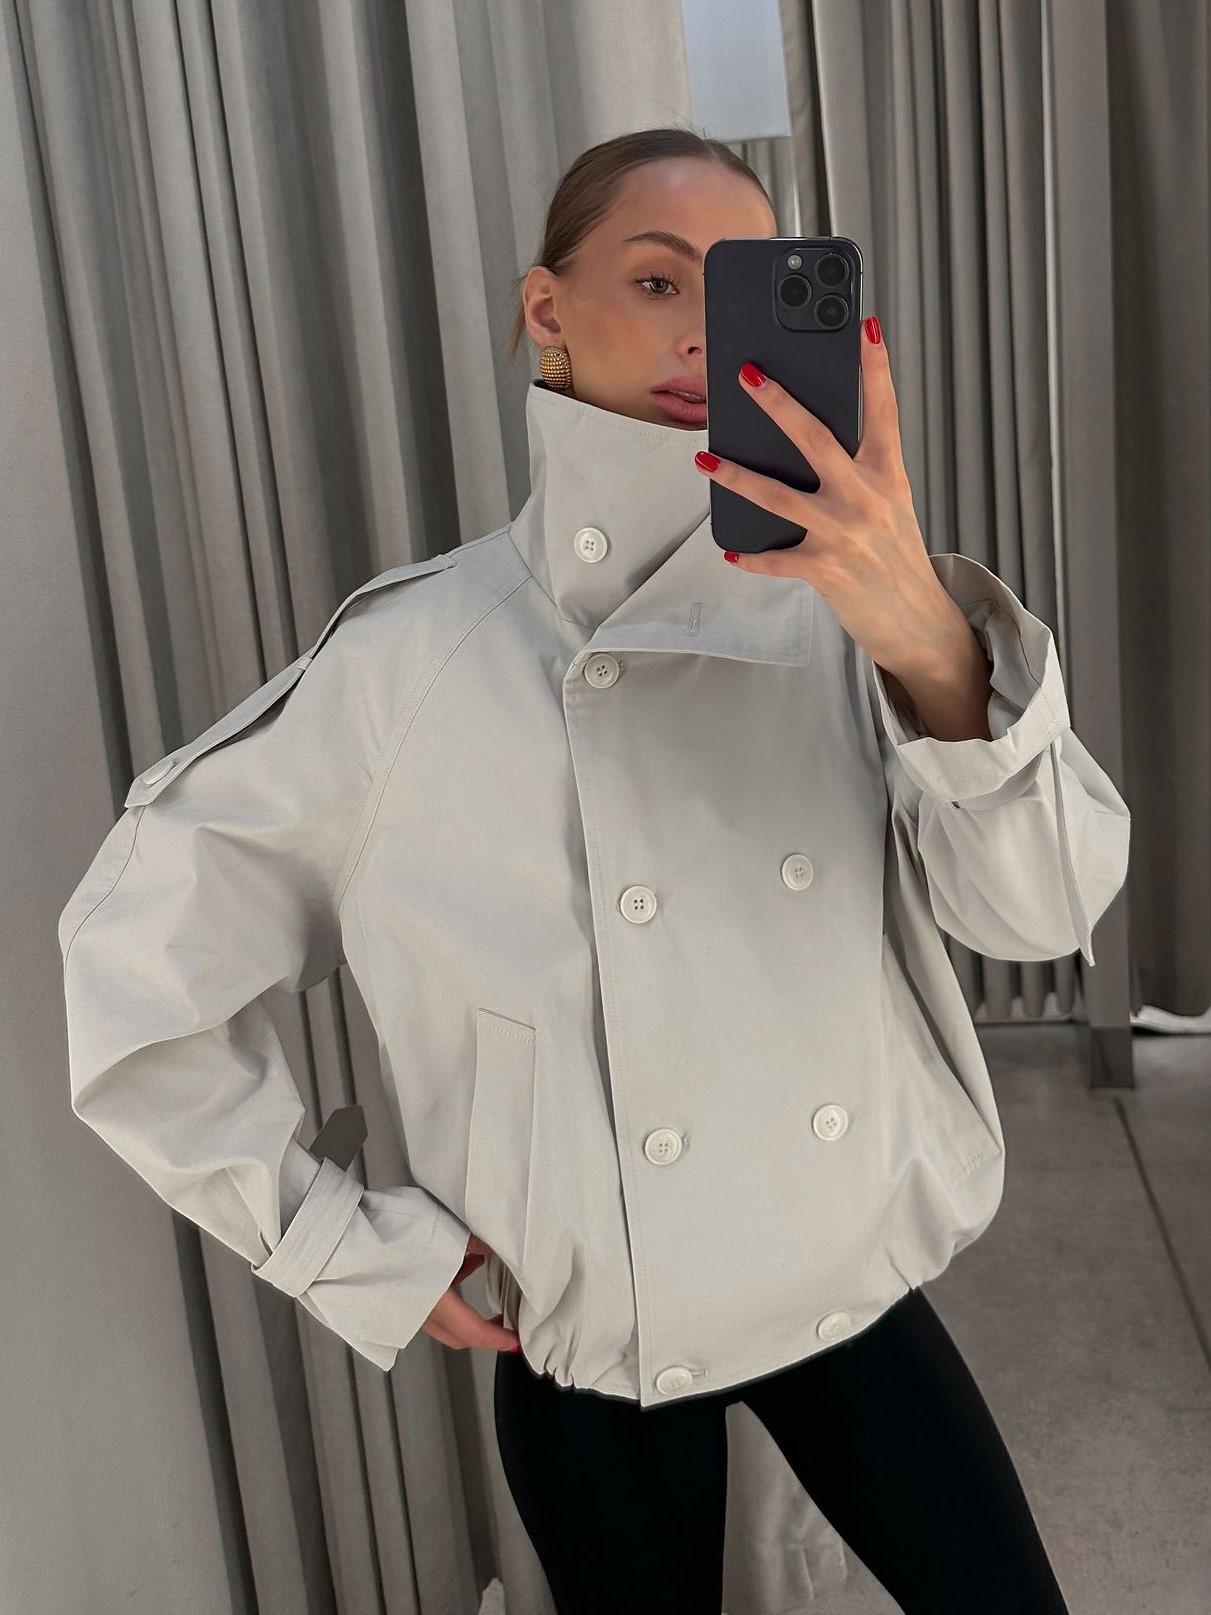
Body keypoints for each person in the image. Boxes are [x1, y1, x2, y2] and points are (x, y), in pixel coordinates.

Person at [60, 126, 1129, 1614]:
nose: (702, 329)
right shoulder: (411, 666)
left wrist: (929, 643)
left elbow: (1043, 912)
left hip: (851, 1290)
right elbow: (136, 968)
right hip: (594, 1346)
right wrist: (340, 1244)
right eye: (658, 278)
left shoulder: (860, 623)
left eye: (743, 289)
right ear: (547, 309)